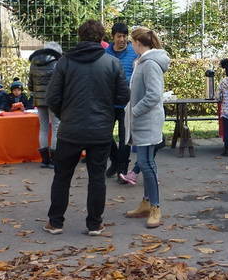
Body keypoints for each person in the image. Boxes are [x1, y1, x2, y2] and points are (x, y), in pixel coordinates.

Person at [43, 20, 129, 236]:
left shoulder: (64, 63)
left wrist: (66, 115)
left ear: (80, 36)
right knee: (97, 177)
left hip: (70, 129)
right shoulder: (111, 63)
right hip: (100, 130)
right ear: (101, 38)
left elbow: (52, 97)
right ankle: (94, 223)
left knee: (62, 176)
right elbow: (123, 96)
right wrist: (108, 115)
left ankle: (55, 222)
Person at [123, 26, 170, 229]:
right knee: (145, 162)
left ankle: (155, 207)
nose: (130, 45)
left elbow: (153, 95)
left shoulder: (149, 63)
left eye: (132, 42)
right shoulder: (143, 62)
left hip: (147, 121)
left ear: (138, 43)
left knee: (146, 164)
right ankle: (146, 203)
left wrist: (134, 111)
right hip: (144, 121)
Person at [104, 23, 138, 182]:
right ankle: (115, 160)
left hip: (126, 103)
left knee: (125, 138)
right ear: (113, 37)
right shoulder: (105, 53)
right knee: (104, 134)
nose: (122, 39)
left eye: (125, 36)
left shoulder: (133, 53)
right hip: (109, 103)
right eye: (119, 36)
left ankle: (122, 169)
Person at [28, 42, 63, 169]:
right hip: (53, 100)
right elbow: (60, 84)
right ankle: (54, 160)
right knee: (55, 127)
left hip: (39, 100)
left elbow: (30, 85)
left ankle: (44, 160)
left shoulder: (34, 62)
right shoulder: (57, 63)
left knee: (43, 128)